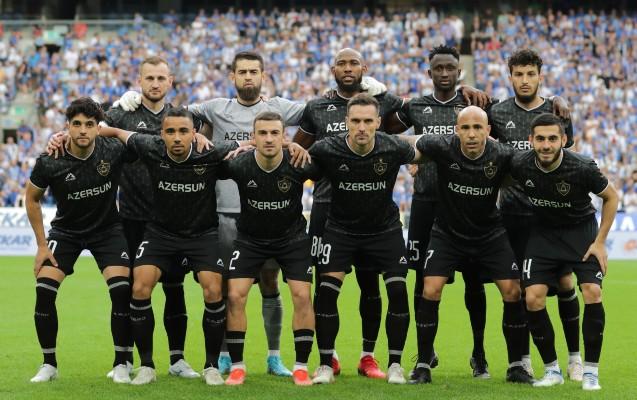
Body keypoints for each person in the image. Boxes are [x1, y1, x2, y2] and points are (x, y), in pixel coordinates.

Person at [114, 51, 388, 375]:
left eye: (253, 71)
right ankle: (226, 356)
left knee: (271, 283)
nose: (247, 77)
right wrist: (129, 102)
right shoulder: (215, 107)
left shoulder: (281, 107)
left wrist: (364, 91)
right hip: (224, 214)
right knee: (227, 289)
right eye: (242, 71)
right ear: (232, 76)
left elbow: (323, 111)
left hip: (269, 218)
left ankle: (274, 357)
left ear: (263, 75)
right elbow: (177, 115)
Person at [47, 56, 206, 380]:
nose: (155, 84)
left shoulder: (180, 117)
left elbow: (200, 137)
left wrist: (202, 136)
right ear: (139, 80)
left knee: (174, 288)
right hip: (132, 218)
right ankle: (126, 359)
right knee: (131, 292)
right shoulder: (122, 113)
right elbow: (87, 126)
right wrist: (61, 135)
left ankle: (177, 359)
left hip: (171, 219)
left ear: (171, 81)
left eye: (161, 78)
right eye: (149, 78)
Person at [98, 107, 240, 385]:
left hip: (201, 235)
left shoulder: (209, 153)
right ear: (161, 134)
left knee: (213, 289)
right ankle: (147, 366)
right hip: (160, 234)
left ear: (194, 134)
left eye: (183, 131)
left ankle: (211, 366)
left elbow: (247, 145)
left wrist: (280, 143)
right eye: (171, 131)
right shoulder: (151, 146)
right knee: (139, 287)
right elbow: (115, 131)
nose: (176, 137)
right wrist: (63, 136)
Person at [402, 106, 532, 385]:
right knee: (430, 288)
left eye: (477, 128)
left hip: (489, 234)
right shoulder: (442, 146)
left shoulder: (503, 154)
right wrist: (374, 137)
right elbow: (407, 143)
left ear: (488, 131)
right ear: (456, 131)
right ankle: (423, 365)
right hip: (447, 233)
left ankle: (516, 366)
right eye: (465, 128)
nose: (471, 134)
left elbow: (535, 167)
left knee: (512, 290)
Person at [388, 44, 488, 378]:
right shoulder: (415, 106)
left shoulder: (474, 104)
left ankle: (479, 354)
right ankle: (425, 354)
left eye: (450, 68)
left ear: (459, 71)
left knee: (474, 282)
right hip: (426, 203)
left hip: (468, 206)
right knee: (422, 281)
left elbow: (503, 128)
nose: (444, 73)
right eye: (438, 68)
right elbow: (381, 127)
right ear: (429, 72)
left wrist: (556, 101)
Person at [488, 49, 581, 379]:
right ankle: (521, 360)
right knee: (516, 290)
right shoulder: (497, 113)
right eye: (519, 74)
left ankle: (575, 358)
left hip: (550, 215)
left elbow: (569, 162)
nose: (525, 80)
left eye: (530, 74)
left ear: (541, 76)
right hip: (512, 215)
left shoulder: (556, 111)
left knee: (565, 282)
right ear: (510, 76)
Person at [310, 94, 414, 385]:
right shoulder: (327, 148)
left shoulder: (392, 146)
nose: (361, 127)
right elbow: (298, 159)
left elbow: (426, 148)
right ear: (346, 122)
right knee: (326, 293)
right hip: (340, 230)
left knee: (396, 291)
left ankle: (393, 364)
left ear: (378, 122)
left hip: (384, 231)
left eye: (368, 121)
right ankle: (326, 364)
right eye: (355, 121)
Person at [26, 98, 133, 383]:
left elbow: (143, 141)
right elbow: (31, 199)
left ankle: (122, 363)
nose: (83, 130)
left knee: (121, 290)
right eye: (76, 124)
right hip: (66, 232)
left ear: (98, 127)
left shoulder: (112, 150)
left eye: (89, 124)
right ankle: (49, 365)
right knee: (44, 290)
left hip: (108, 230)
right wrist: (41, 246)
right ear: (67, 127)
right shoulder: (50, 160)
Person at [510, 113, 617, 390]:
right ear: (531, 140)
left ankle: (590, 373)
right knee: (532, 297)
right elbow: (499, 180)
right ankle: (552, 371)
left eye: (552, 139)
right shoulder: (520, 164)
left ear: (564, 140)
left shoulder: (582, 166)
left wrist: (600, 242)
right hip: (542, 234)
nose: (546, 145)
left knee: (592, 292)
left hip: (580, 233)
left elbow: (611, 197)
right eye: (540, 139)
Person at [222, 111, 317, 386]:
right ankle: (237, 367)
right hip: (250, 240)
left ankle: (301, 367)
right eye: (262, 133)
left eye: (275, 133)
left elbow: (331, 166)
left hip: (292, 239)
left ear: (284, 136)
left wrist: (297, 146)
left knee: (302, 296)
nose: (268, 138)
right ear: (253, 137)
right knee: (235, 296)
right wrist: (233, 147)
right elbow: (206, 162)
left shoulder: (298, 162)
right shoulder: (239, 163)